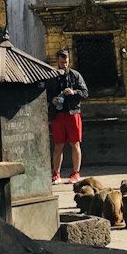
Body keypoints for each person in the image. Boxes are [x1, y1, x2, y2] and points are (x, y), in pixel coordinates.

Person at [46, 48, 88, 183]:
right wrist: (51, 100)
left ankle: (76, 172)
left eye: (66, 62)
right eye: (62, 62)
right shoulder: (52, 77)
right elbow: (45, 93)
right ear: (57, 61)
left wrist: (74, 92)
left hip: (72, 113)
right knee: (58, 145)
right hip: (58, 115)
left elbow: (85, 93)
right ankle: (56, 173)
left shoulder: (75, 76)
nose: (64, 64)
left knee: (75, 143)